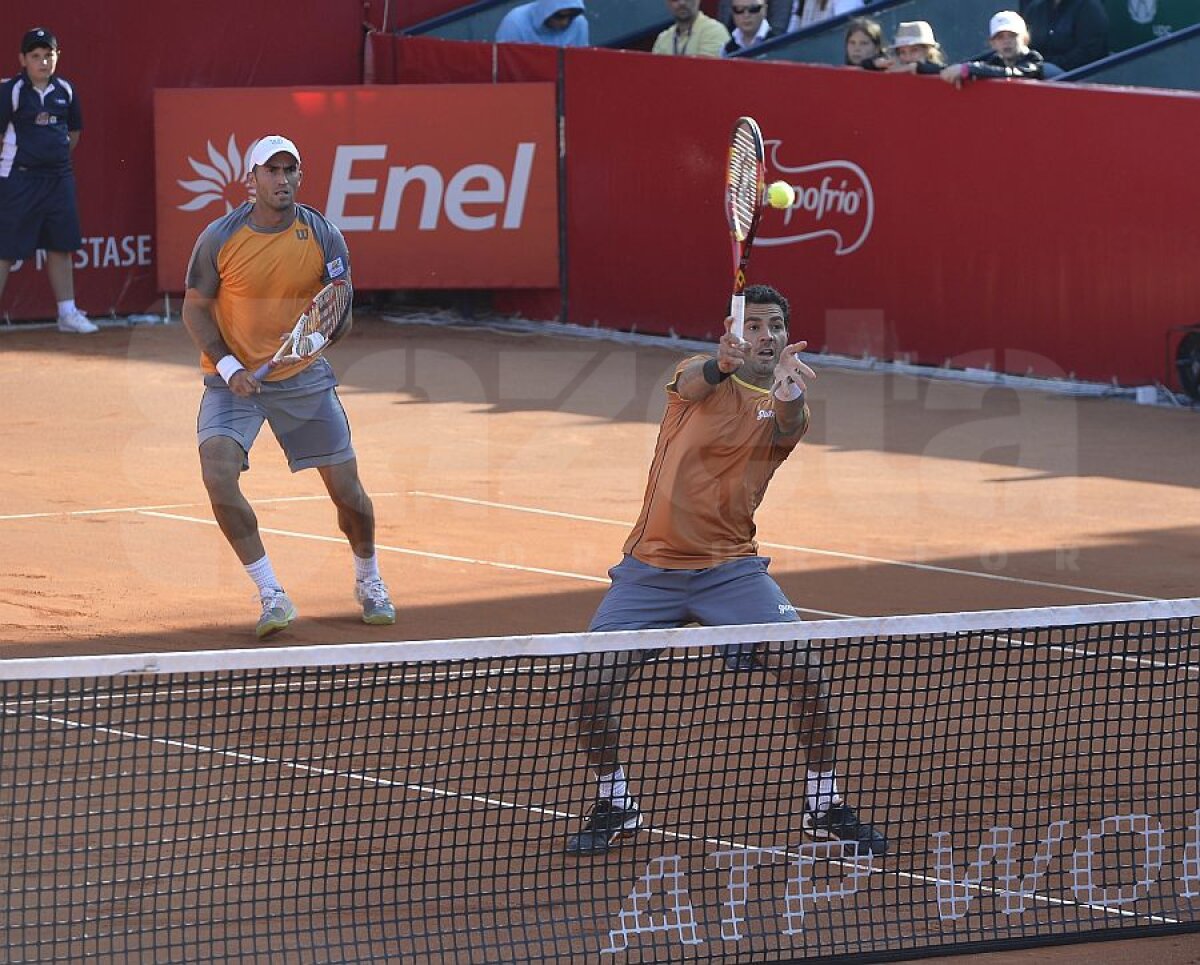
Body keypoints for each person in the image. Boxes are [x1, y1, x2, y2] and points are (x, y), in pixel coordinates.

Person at [564, 285, 888, 859]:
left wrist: (787, 391)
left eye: (777, 327)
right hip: (651, 570)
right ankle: (615, 800)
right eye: (756, 325)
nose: (768, 335)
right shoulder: (694, 380)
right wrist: (720, 363)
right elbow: (695, 378)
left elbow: (788, 423)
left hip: (731, 571)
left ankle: (824, 802)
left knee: (805, 669)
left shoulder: (787, 404)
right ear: (735, 330)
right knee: (589, 684)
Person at [181, 134, 395, 639]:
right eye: (271, 171)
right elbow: (194, 306)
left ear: (300, 176)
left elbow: (341, 307)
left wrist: (317, 337)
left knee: (350, 496)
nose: (282, 180)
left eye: (289, 170)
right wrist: (230, 366)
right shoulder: (219, 237)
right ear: (250, 180)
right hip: (232, 381)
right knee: (217, 472)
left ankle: (369, 578)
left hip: (303, 379)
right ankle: (271, 592)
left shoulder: (323, 235)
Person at [0, 28, 95, 333]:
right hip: (18, 179)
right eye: (35, 56)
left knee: (61, 245)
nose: (43, 62)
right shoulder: (11, 91)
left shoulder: (66, 90)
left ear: (57, 57)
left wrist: (52, 157)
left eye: (48, 55)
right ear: (23, 60)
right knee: (4, 250)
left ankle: (67, 314)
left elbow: (74, 133)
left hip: (58, 179)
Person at [941, 11, 1045, 86]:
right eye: (1000, 37)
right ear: (993, 43)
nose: (1006, 41)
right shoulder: (994, 61)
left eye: (1012, 35)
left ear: (1025, 39)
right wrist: (963, 76)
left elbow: (1014, 74)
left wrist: (967, 69)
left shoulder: (1034, 59)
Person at [1020, 0, 1108, 73]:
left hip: (1076, 78)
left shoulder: (1089, 7)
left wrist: (1046, 65)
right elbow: (1025, 45)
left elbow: (1088, 53)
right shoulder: (1035, 8)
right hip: (1034, 73)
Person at [652, 0, 730, 58]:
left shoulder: (714, 30)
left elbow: (706, 72)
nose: (682, 2)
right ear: (667, 3)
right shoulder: (663, 38)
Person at [495, 0, 589, 47]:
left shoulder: (579, 23)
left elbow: (581, 65)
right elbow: (505, 67)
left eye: (572, 16)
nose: (565, 22)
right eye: (560, 16)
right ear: (547, 11)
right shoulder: (515, 23)